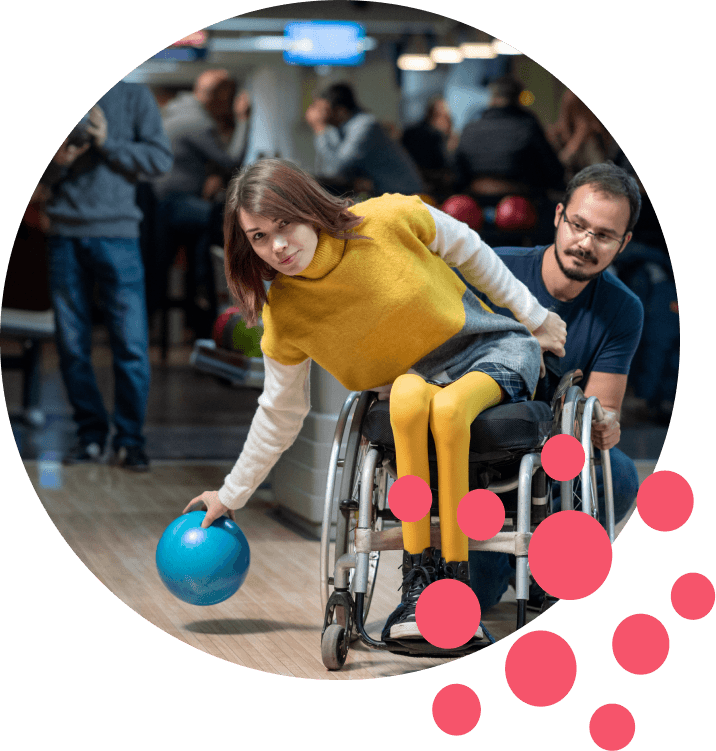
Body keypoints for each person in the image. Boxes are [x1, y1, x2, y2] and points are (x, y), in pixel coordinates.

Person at [182, 158, 567, 651]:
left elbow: (470, 249)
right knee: (406, 397)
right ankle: (418, 588)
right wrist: (230, 495)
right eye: (258, 237)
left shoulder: (386, 219)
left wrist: (532, 315)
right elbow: (279, 412)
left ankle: (454, 586)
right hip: (414, 382)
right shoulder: (286, 315)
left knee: (447, 410)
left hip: (490, 351)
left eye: (285, 225)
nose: (277, 246)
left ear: (309, 209)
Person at [461, 161, 644, 612]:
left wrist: (607, 425)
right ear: (559, 216)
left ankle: (547, 566)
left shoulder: (623, 309)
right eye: (578, 225)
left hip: (556, 458)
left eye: (603, 235)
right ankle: (504, 566)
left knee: (617, 472)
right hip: (481, 453)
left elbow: (603, 408)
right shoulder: (494, 270)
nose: (585, 243)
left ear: (623, 243)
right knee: (475, 601)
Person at [40, 81, 173, 470]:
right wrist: (59, 161)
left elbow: (159, 161)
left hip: (119, 237)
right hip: (64, 237)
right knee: (71, 347)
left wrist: (107, 142)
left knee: (131, 346)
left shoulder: (135, 98)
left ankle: (130, 441)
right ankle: (91, 436)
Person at [150, 70, 251, 333]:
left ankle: (202, 294)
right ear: (218, 96)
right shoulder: (198, 122)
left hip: (160, 203)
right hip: (173, 204)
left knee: (209, 224)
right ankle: (207, 295)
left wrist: (212, 175)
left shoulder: (175, 110)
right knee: (221, 219)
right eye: (227, 98)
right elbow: (232, 160)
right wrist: (243, 120)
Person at [305, 82, 425, 196]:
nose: (319, 114)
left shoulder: (365, 125)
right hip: (383, 193)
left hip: (404, 193)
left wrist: (319, 128)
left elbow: (335, 169)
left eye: (324, 110)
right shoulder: (336, 128)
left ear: (341, 111)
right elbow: (325, 170)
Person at [454, 76, 564, 198]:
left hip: (474, 202)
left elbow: (458, 172)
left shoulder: (470, 128)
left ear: (492, 98)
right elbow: (552, 169)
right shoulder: (528, 125)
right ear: (517, 98)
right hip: (521, 203)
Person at [401, 97, 457, 198]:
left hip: (405, 191)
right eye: (447, 119)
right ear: (434, 116)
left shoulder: (409, 132)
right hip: (431, 194)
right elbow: (446, 172)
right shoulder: (434, 137)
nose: (450, 124)